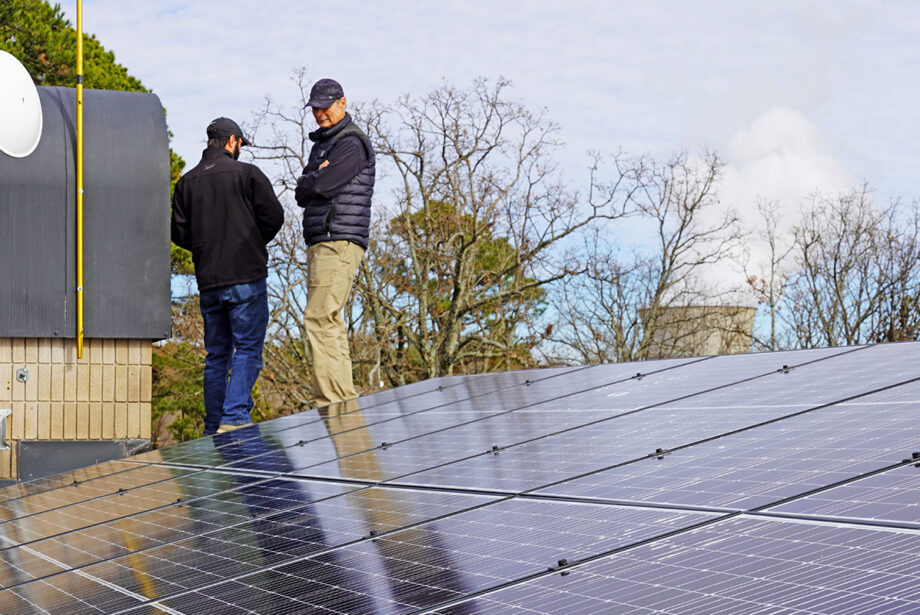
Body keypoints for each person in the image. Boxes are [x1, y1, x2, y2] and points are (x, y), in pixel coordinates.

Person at [171, 117, 284, 435]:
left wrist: (207, 246)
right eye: (240, 144)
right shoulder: (247, 174)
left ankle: (213, 424)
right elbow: (274, 216)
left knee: (216, 354)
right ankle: (233, 419)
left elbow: (179, 232)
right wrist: (250, 241)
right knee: (248, 347)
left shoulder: (187, 182)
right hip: (245, 275)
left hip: (209, 280)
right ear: (232, 141)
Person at [295, 78, 375, 407]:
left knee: (319, 317)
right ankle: (342, 401)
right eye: (315, 108)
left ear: (342, 103)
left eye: (325, 106)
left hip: (337, 238)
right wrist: (314, 178)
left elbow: (320, 185)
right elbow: (303, 189)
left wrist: (315, 177)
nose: (320, 113)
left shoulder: (350, 143)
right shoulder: (325, 145)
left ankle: (330, 403)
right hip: (323, 239)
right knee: (330, 319)